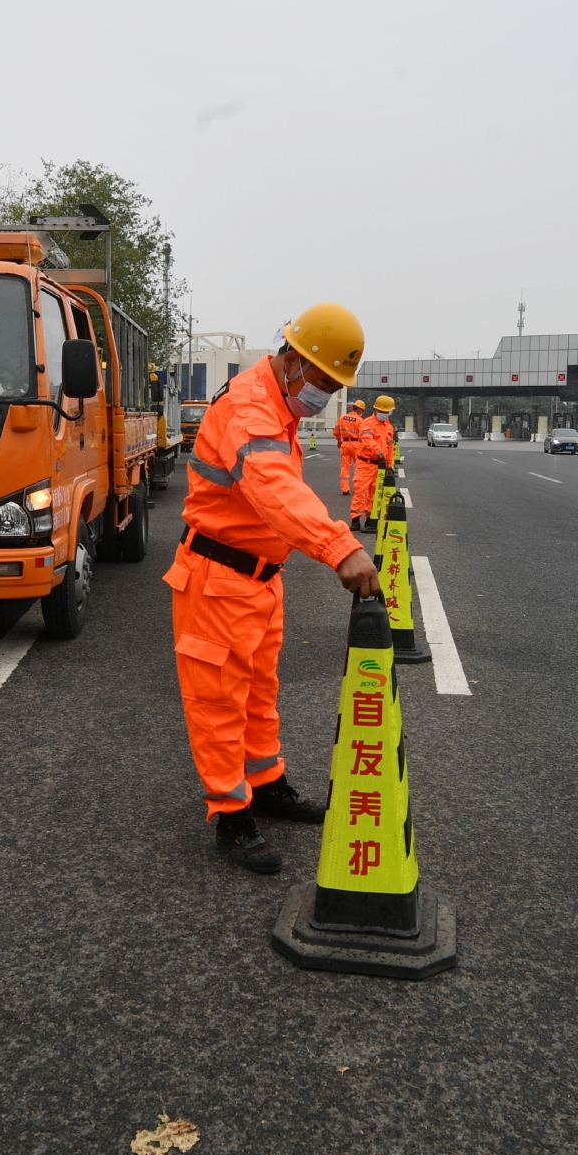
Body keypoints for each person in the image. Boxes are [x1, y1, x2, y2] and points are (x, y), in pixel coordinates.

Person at [168, 303, 381, 872]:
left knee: (258, 694)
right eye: (322, 382)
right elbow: (274, 491)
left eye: (335, 388)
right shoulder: (250, 407)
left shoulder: (278, 408)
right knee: (218, 702)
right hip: (217, 580)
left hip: (257, 580)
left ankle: (265, 784)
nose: (325, 397)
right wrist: (340, 547)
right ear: (293, 361)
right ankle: (231, 816)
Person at [349, 395, 396, 532]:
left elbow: (390, 447)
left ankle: (371, 519)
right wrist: (378, 451)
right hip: (365, 462)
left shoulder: (389, 427)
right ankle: (355, 519)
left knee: (375, 493)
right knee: (360, 490)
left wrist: (389, 465)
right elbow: (367, 439)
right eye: (383, 411)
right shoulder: (367, 423)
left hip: (380, 465)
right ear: (376, 409)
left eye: (387, 412)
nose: (385, 414)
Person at [333, 400, 367, 498]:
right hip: (356, 445)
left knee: (345, 467)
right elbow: (363, 435)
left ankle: (345, 489)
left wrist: (339, 441)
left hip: (345, 444)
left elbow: (336, 432)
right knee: (358, 467)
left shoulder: (342, 417)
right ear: (360, 410)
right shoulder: (360, 420)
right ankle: (356, 488)